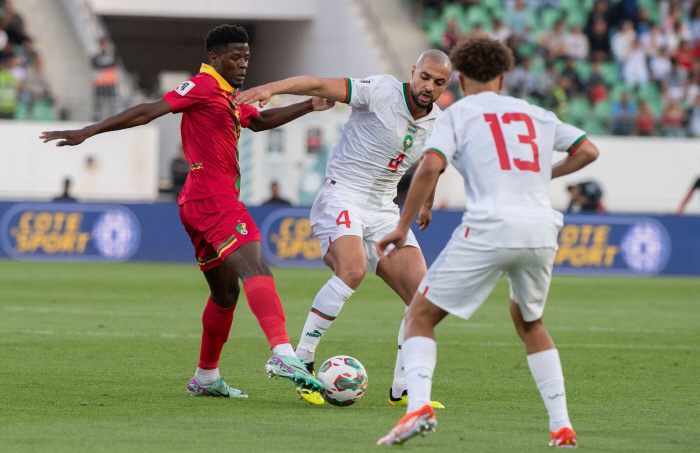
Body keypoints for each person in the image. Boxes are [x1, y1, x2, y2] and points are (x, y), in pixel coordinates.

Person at [39, 24, 336, 399]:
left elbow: (259, 122)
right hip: (214, 199)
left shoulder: (229, 95)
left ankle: (206, 377)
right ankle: (282, 353)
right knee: (257, 268)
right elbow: (148, 111)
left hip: (199, 202)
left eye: (246, 57)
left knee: (225, 296)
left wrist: (310, 104)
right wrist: (89, 131)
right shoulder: (202, 86)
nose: (243, 64)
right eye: (235, 57)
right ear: (214, 58)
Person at [375, 37, 599, 447]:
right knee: (531, 324)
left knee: (420, 316)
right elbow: (588, 151)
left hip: (491, 226)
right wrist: (541, 176)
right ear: (502, 77)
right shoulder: (536, 114)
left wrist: (402, 224)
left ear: (459, 79)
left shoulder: (456, 114)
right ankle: (561, 425)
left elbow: (430, 165)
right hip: (541, 228)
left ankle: (417, 407)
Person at [237, 50, 452, 407]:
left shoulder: (440, 123)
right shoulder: (380, 91)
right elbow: (319, 84)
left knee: (423, 299)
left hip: (384, 211)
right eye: (425, 77)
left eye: (439, 83)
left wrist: (427, 202)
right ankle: (301, 359)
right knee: (352, 270)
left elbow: (434, 165)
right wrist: (272, 88)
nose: (429, 87)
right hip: (343, 195)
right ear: (413, 71)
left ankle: (403, 388)